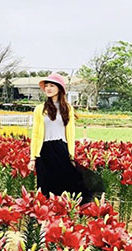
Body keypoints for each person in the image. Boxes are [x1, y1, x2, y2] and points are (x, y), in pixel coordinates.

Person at [28, 73, 94, 204]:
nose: (48, 88)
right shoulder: (39, 109)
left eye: (52, 85)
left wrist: (71, 156)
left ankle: (63, 218)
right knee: (45, 187)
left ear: (59, 88)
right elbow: (35, 134)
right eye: (46, 86)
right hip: (44, 151)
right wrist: (32, 158)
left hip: (61, 149)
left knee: (66, 186)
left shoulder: (67, 108)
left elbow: (70, 133)